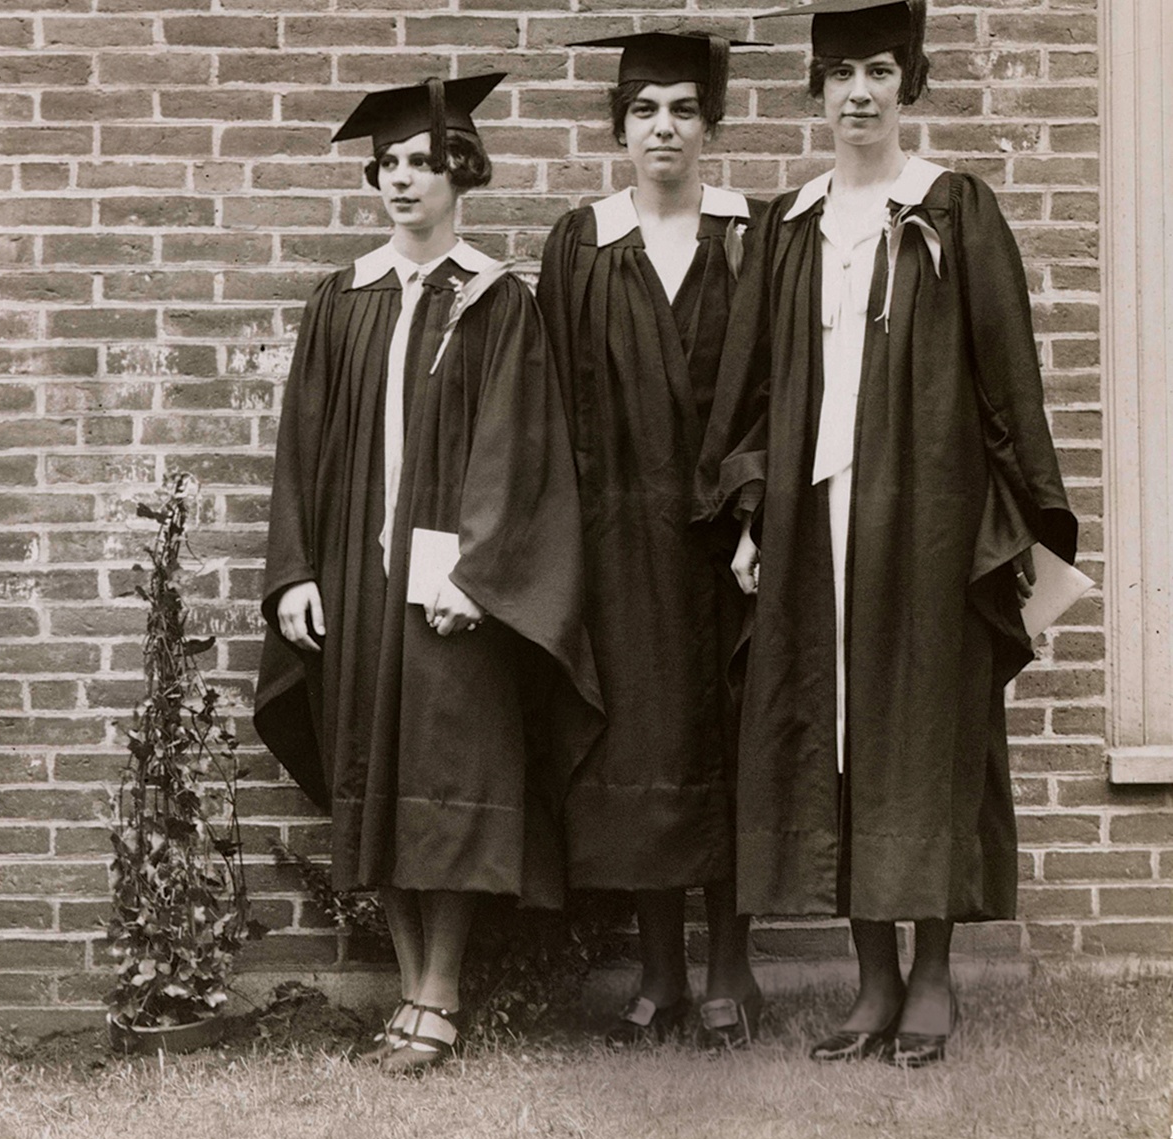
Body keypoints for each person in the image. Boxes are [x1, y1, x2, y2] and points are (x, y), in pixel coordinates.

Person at [695, 0, 1076, 1067]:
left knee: (928, 733)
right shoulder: (788, 224)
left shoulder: (953, 211)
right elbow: (756, 390)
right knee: (840, 734)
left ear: (907, 82)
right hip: (813, 523)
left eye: (876, 70)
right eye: (838, 74)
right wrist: (750, 506)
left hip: (930, 516)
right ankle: (871, 979)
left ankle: (936, 974)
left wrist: (1017, 526)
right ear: (812, 92)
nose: (857, 92)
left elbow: (1009, 381)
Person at [254, 74, 602, 1075]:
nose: (404, 181)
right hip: (359, 585)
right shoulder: (343, 299)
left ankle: (441, 988)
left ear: (463, 175)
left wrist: (481, 573)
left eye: (425, 164)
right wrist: (294, 573)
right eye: (391, 166)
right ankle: (411, 984)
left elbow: (520, 452)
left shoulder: (498, 303)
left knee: (448, 777)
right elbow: (301, 449)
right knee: (371, 775)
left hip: (451, 593)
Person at [540, 31, 765, 1051]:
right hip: (619, 539)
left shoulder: (754, 238)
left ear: (710, 124)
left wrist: (758, 511)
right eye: (644, 110)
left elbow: (780, 389)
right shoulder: (579, 242)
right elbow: (551, 402)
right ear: (618, 127)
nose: (663, 127)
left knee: (731, 738)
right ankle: (660, 968)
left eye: (682, 107)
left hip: (729, 540)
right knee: (636, 745)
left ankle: (729, 966)